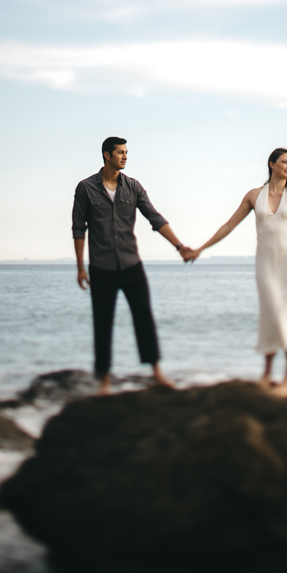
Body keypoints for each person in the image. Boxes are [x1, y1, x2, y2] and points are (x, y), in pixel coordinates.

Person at [186, 148, 287, 395]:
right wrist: (200, 249)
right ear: (272, 164)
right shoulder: (254, 195)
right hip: (266, 264)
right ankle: (266, 375)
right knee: (271, 315)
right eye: (285, 162)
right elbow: (229, 225)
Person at [72, 137, 191, 395]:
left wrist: (180, 247)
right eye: (120, 153)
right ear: (106, 155)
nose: (125, 157)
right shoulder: (85, 188)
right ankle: (103, 381)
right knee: (102, 323)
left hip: (131, 264)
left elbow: (155, 219)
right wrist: (81, 267)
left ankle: (156, 372)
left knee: (144, 317)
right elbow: (78, 229)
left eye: (126, 153)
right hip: (101, 268)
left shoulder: (134, 187)